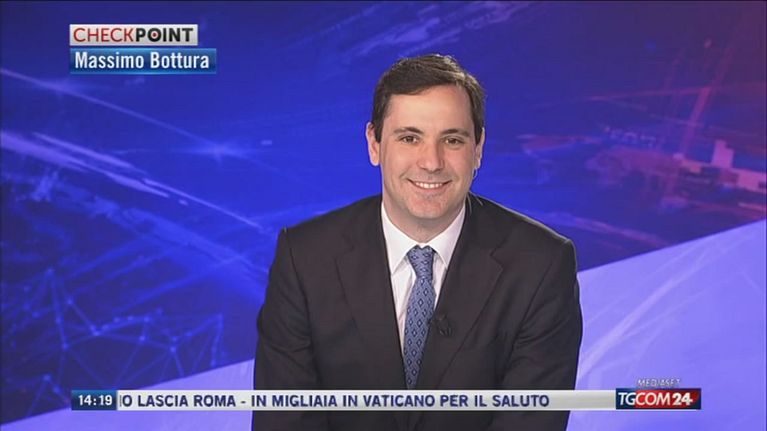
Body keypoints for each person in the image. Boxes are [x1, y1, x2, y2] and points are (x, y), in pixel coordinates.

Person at [254, 54, 582, 431]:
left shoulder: (541, 265)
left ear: (478, 149)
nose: (431, 162)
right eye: (410, 138)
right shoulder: (305, 258)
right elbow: (284, 420)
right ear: (374, 144)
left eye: (452, 140)